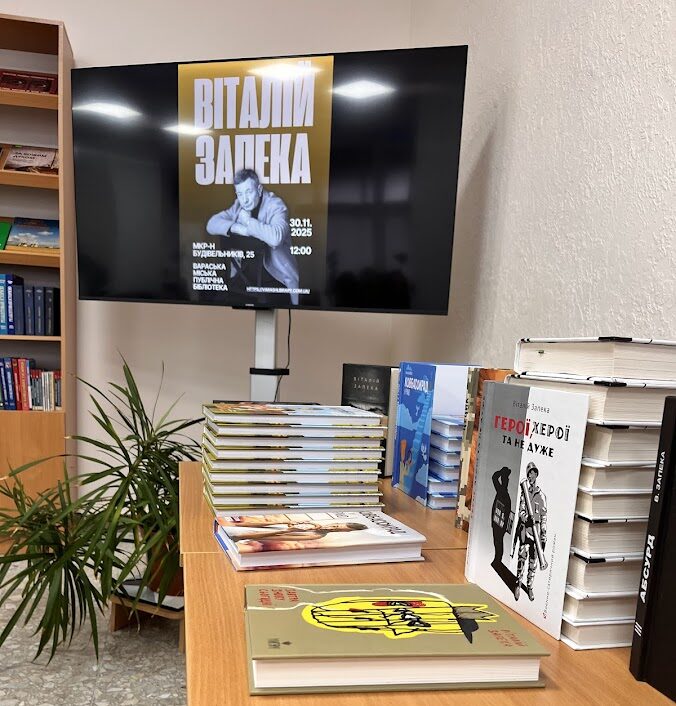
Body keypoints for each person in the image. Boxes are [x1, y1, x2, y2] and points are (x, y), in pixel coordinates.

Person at [206, 169, 300, 304]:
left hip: (275, 279)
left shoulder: (275, 205)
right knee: (218, 302)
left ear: (259, 190)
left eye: (249, 192)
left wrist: (248, 222)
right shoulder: (238, 206)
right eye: (240, 194)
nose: (244, 199)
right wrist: (239, 228)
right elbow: (211, 224)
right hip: (244, 279)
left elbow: (276, 238)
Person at [513, 462, 547, 601]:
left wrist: (543, 535)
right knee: (522, 559)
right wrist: (526, 517)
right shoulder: (524, 493)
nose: (530, 476)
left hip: (536, 534)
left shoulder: (541, 496)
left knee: (533, 562)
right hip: (525, 531)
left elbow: (544, 517)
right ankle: (518, 584)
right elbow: (521, 511)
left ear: (536, 474)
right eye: (528, 474)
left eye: (532, 473)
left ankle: (530, 587)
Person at [490, 466, 512, 566]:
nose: (504, 481)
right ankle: (497, 559)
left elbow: (494, 477)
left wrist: (501, 472)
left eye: (505, 479)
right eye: (504, 478)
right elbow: (494, 477)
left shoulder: (502, 492)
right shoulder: (503, 492)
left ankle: (498, 559)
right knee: (497, 541)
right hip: (498, 521)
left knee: (498, 541)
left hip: (500, 522)